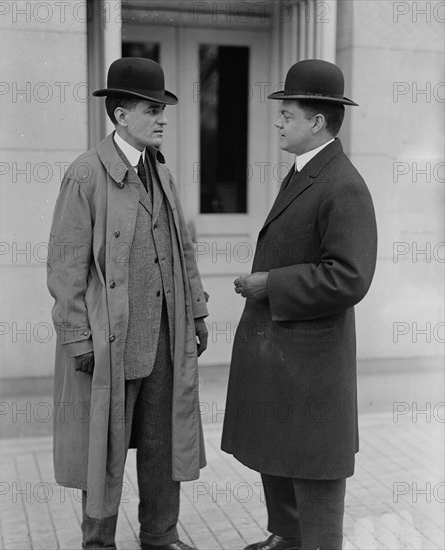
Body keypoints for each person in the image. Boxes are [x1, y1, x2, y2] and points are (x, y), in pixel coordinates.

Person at [47, 57, 209, 550]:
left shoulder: (159, 170)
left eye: (163, 109)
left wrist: (197, 312)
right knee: (105, 449)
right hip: (109, 340)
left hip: (164, 337)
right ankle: (99, 544)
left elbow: (182, 248)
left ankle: (161, 536)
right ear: (120, 115)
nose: (162, 118)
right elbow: (65, 266)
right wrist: (76, 336)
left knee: (163, 444)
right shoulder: (85, 174)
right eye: (151, 109)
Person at [221, 59, 377, 550]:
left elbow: (350, 277)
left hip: (311, 363)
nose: (278, 122)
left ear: (317, 122)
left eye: (287, 114)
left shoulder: (343, 184)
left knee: (314, 468)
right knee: (280, 454)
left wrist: (272, 284)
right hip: (288, 356)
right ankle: (288, 539)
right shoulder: (306, 171)